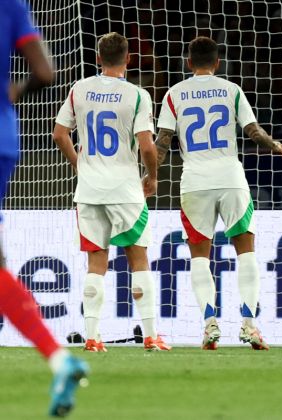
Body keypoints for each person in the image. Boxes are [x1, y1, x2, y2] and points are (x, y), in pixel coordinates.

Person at [154, 36, 282, 350]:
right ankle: (250, 325)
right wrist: (273, 144)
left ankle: (209, 323)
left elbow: (162, 142)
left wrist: (148, 174)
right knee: (246, 251)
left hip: (194, 181)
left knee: (200, 256)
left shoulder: (174, 94)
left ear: (188, 63)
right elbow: (253, 131)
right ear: (217, 63)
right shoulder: (231, 89)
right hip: (230, 177)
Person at [52, 32, 171, 352]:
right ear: (129, 58)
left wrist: (79, 165)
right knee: (139, 259)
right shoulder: (137, 95)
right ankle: (149, 335)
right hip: (125, 189)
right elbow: (147, 146)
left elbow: (60, 133)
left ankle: (92, 338)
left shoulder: (79, 89)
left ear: (98, 58)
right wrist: (152, 176)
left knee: (96, 263)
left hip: (89, 191)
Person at [1, 0, 88, 416]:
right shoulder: (12, 6)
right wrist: (13, 92)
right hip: (5, 138)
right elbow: (45, 72)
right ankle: (58, 358)